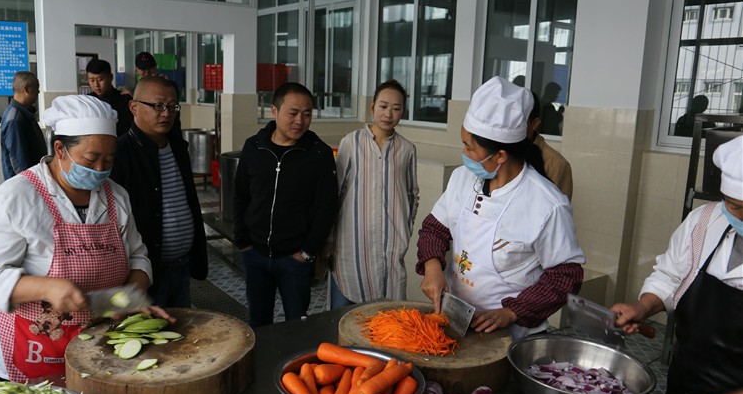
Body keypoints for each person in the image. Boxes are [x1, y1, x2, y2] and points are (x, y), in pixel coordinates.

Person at [0, 95, 158, 383]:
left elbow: (138, 256)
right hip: (35, 348)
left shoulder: (116, 196)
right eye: (90, 159)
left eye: (109, 160)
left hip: (102, 342)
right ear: (60, 148)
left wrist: (128, 296)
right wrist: (46, 287)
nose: (100, 169)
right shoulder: (16, 197)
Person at [417, 76, 585, 340]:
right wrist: (432, 268)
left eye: (469, 147)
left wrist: (512, 312)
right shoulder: (462, 178)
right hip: (457, 321)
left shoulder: (547, 204)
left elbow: (565, 276)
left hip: (513, 335)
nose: (463, 153)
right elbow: (434, 228)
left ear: (500, 156)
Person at [612, 135, 743, 394]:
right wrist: (642, 307)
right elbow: (670, 276)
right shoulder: (703, 221)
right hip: (687, 380)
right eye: (735, 206)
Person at [233, 82, 338, 327]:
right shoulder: (254, 147)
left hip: (295, 259)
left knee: (296, 325)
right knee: (259, 323)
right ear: (274, 111)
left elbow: (326, 207)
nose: (300, 121)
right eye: (293, 113)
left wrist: (307, 251)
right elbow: (240, 195)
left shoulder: (319, 154)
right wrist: (242, 240)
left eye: (307, 114)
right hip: (255, 254)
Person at [111, 76, 208, 308]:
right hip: (145, 273)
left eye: (172, 107)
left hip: (182, 266)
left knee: (183, 325)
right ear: (134, 107)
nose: (166, 113)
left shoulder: (178, 147)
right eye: (157, 106)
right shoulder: (120, 153)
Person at [330, 80, 419, 308]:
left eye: (396, 108)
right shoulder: (351, 142)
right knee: (343, 315)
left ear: (402, 112)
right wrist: (329, 237)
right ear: (372, 107)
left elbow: (412, 195)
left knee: (389, 316)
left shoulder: (407, 149)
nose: (388, 114)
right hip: (352, 244)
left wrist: (405, 230)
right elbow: (337, 191)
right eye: (383, 106)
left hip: (391, 246)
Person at [0, 71, 47, 180]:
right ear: (26, 89)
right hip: (24, 181)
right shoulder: (14, 119)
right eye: (37, 88)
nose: (38, 92)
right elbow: (19, 161)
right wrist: (30, 182)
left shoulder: (22, 113)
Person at [527, 92, 573, 200]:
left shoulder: (556, 164)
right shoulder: (500, 154)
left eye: (517, 122)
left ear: (534, 123)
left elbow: (557, 207)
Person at [86, 58, 132, 137]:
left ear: (110, 77)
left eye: (100, 79)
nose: (96, 85)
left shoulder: (124, 100)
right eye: (92, 80)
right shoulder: (88, 101)